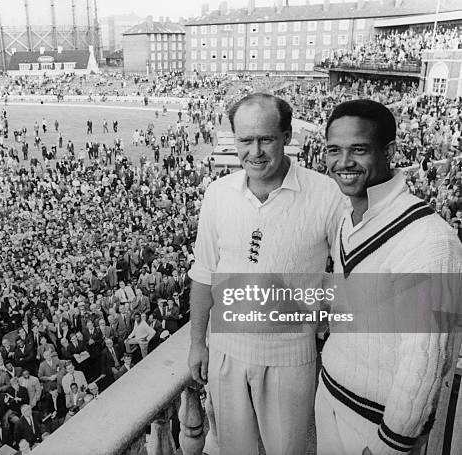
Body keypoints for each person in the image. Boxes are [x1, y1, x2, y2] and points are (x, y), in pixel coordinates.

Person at [187, 93, 344, 455]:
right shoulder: (217, 194)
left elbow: (351, 270)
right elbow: (204, 273)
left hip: (290, 355)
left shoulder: (327, 195)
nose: (255, 151)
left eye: (266, 139)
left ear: (287, 136)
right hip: (225, 351)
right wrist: (198, 342)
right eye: (245, 140)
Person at [316, 99, 462, 454]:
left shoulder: (432, 239)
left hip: (374, 426)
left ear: (390, 151)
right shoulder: (346, 220)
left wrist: (390, 444)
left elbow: (426, 361)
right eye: (334, 150)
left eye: (359, 149)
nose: (343, 162)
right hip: (330, 397)